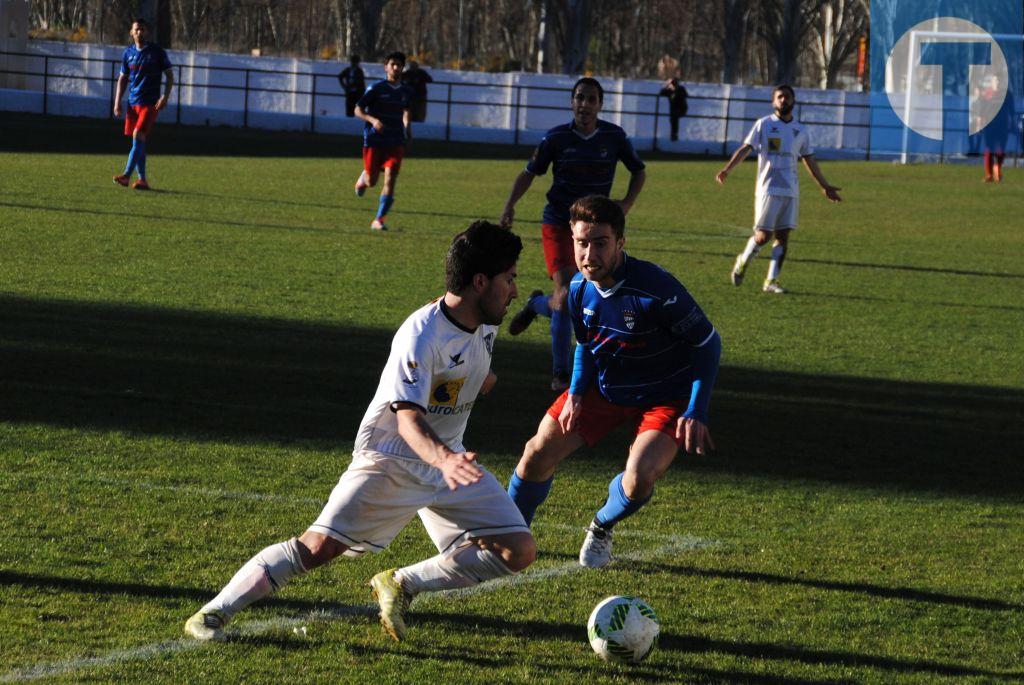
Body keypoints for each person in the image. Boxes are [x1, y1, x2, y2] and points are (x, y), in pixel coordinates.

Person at [185, 220, 535, 643]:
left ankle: (401, 583)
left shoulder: (484, 320)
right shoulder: (421, 335)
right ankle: (211, 614)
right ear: (480, 281)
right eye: (510, 278)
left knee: (518, 549)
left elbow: (467, 369)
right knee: (317, 548)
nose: (514, 290)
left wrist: (480, 389)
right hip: (392, 458)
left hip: (447, 461)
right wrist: (444, 458)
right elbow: (407, 416)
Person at [507, 195, 721, 569]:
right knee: (537, 452)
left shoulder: (657, 289)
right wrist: (574, 392)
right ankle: (508, 531)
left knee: (639, 478)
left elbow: (707, 342)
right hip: (604, 389)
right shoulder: (577, 288)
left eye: (600, 243)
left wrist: (696, 409)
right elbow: (586, 345)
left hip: (665, 396)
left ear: (620, 243)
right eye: (581, 243)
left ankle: (602, 525)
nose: (589, 253)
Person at [500, 77, 646, 392]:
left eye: (591, 99)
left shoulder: (614, 136)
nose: (584, 104)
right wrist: (510, 204)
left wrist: (626, 203)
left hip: (595, 228)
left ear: (600, 104)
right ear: (572, 102)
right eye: (579, 98)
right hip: (558, 223)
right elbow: (529, 173)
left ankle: (537, 303)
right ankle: (561, 373)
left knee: (585, 296)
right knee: (567, 296)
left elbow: (639, 170)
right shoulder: (556, 138)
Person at [716, 84, 841, 294]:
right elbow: (746, 148)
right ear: (774, 101)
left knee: (782, 237)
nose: (783, 100)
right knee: (763, 236)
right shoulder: (763, 124)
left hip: (790, 190)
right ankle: (743, 260)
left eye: (787, 97)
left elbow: (808, 159)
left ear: (793, 101)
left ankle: (771, 281)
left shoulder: (801, 130)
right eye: (780, 97)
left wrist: (824, 186)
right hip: (768, 189)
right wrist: (728, 169)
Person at [353, 51, 414, 231]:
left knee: (391, 177)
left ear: (403, 68)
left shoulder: (405, 91)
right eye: (392, 64)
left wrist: (408, 130)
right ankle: (365, 177)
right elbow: (358, 109)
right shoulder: (376, 88)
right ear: (386, 67)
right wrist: (373, 120)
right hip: (374, 140)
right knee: (373, 181)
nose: (396, 68)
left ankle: (379, 220)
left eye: (399, 65)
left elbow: (406, 110)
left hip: (395, 140)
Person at [112, 19, 173, 191]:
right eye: (136, 30)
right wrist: (117, 102)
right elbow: (123, 78)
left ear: (146, 32)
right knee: (139, 141)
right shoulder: (128, 53)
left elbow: (169, 75)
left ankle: (126, 175)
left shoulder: (156, 52)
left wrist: (165, 97)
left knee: (138, 135)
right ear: (131, 32)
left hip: (150, 103)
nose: (139, 33)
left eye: (142, 30)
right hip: (133, 103)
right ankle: (142, 180)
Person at [979, 74, 1015, 183]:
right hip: (990, 126)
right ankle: (989, 174)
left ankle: (997, 171)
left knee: (1000, 150)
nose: (998, 83)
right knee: (989, 149)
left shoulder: (1007, 94)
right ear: (992, 82)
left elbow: (1011, 111)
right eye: (996, 81)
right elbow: (982, 110)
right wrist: (980, 122)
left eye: (1000, 81)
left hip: (1002, 125)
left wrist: (1012, 124)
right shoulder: (987, 94)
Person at [659, 69, 688, 142]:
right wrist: (667, 86)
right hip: (673, 110)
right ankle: (673, 134)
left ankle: (674, 134)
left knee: (674, 117)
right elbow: (661, 93)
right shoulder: (669, 91)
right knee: (673, 117)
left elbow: (685, 95)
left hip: (681, 109)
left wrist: (677, 93)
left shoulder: (681, 89)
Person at [337, 54, 366, 118]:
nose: (354, 64)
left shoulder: (359, 71)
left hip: (357, 93)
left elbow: (361, 82)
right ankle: (349, 121)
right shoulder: (348, 70)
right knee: (349, 108)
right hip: (350, 92)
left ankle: (353, 122)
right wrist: (344, 86)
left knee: (356, 109)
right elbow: (340, 76)